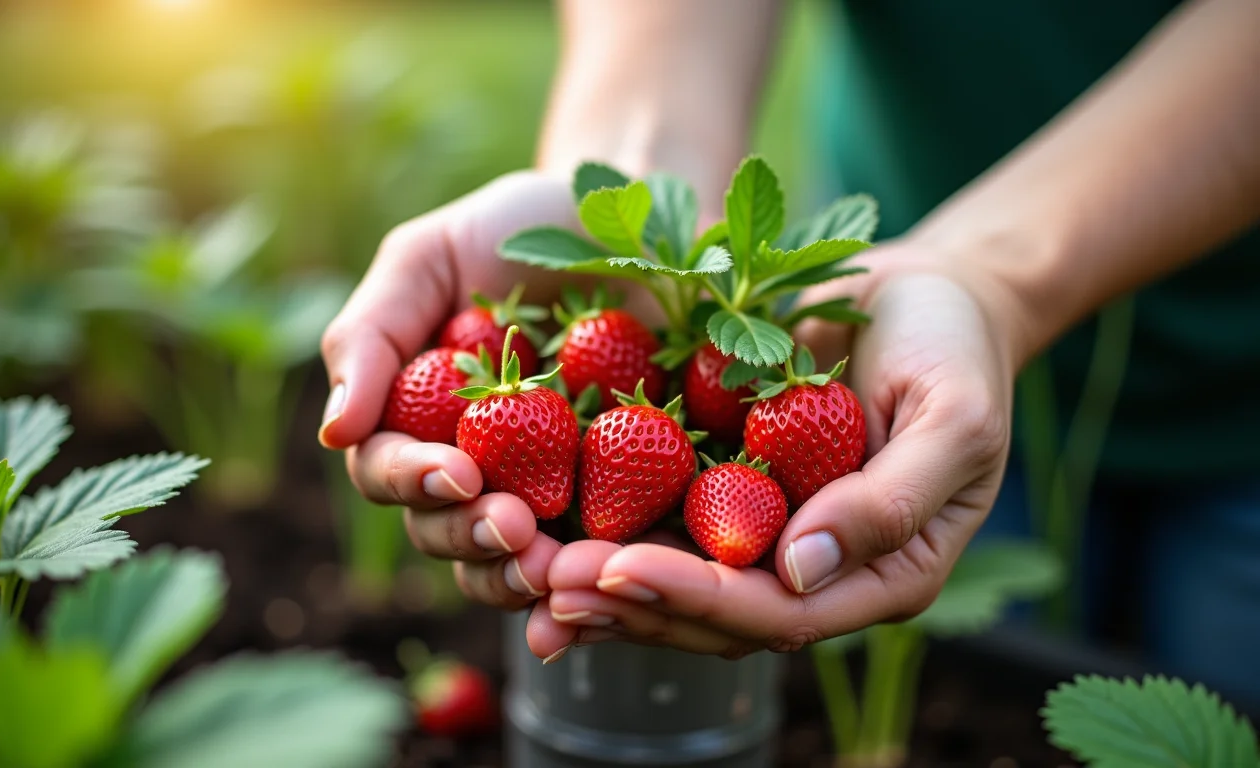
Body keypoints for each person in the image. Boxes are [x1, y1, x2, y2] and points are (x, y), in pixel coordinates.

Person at [318, 0, 1260, 697]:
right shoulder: (775, 378)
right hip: (899, 360)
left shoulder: (773, 389)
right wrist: (632, 178)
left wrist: (989, 277)